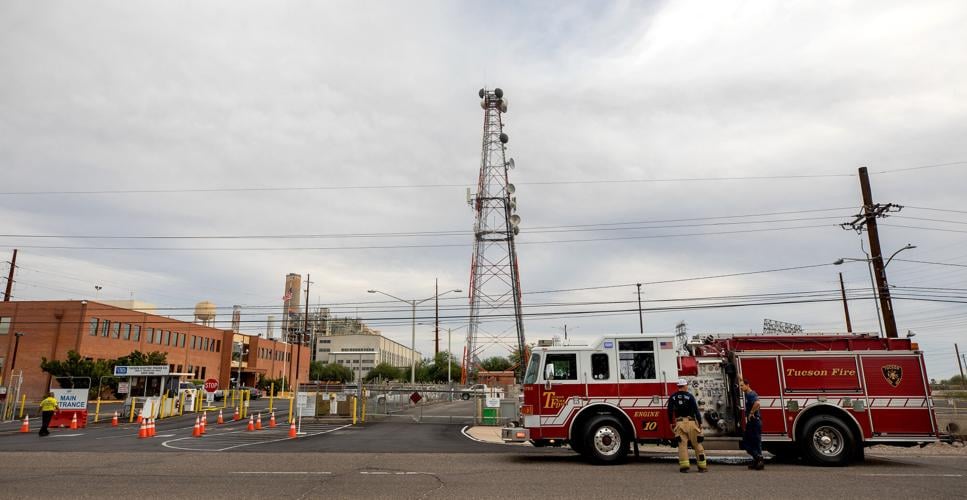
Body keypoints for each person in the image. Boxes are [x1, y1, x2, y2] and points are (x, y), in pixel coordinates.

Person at [666, 378, 707, 473]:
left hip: (679, 423)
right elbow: (696, 410)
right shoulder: (690, 396)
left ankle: (684, 467)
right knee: (697, 444)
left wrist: (670, 423)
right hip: (691, 423)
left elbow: (669, 411)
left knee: (682, 445)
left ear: (678, 386)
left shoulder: (673, 397)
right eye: (686, 385)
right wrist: (700, 423)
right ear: (684, 386)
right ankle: (702, 466)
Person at [739, 377, 764, 470]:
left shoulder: (751, 394)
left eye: (742, 386)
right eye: (740, 386)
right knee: (747, 442)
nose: (740, 387)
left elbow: (757, 403)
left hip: (755, 421)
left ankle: (759, 460)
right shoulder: (747, 393)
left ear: (747, 385)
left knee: (756, 441)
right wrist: (740, 378)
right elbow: (743, 381)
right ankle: (757, 459)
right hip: (751, 422)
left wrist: (751, 413)